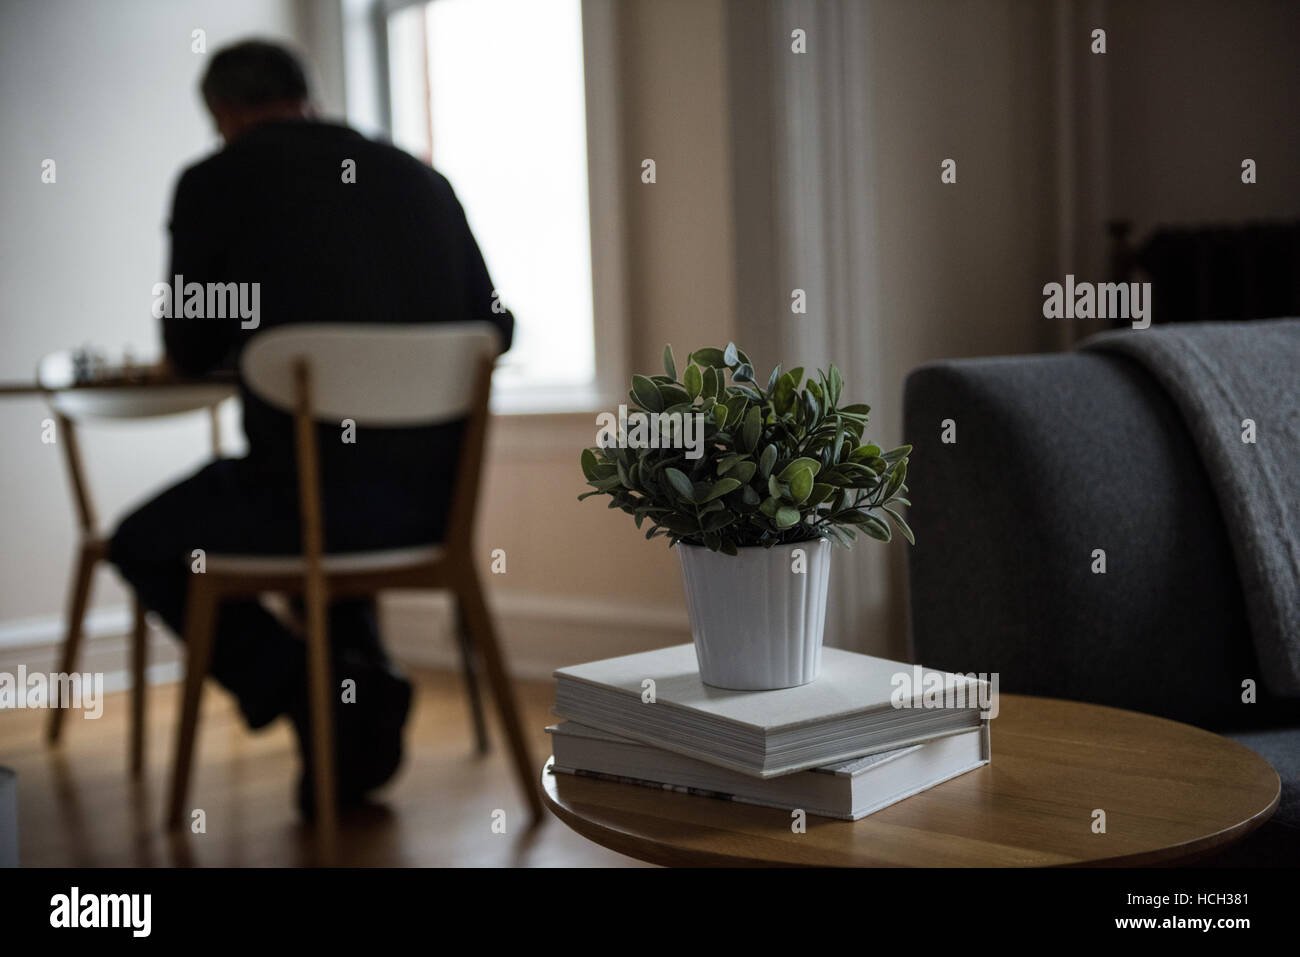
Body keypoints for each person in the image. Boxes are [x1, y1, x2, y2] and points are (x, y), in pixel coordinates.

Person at [109, 39, 514, 816]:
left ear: (223, 114)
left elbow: (189, 349)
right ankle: (352, 698)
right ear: (311, 95)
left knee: (144, 540)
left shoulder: (213, 180)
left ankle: (314, 691)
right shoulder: (420, 177)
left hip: (298, 505)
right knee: (319, 495)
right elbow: (499, 327)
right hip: (430, 507)